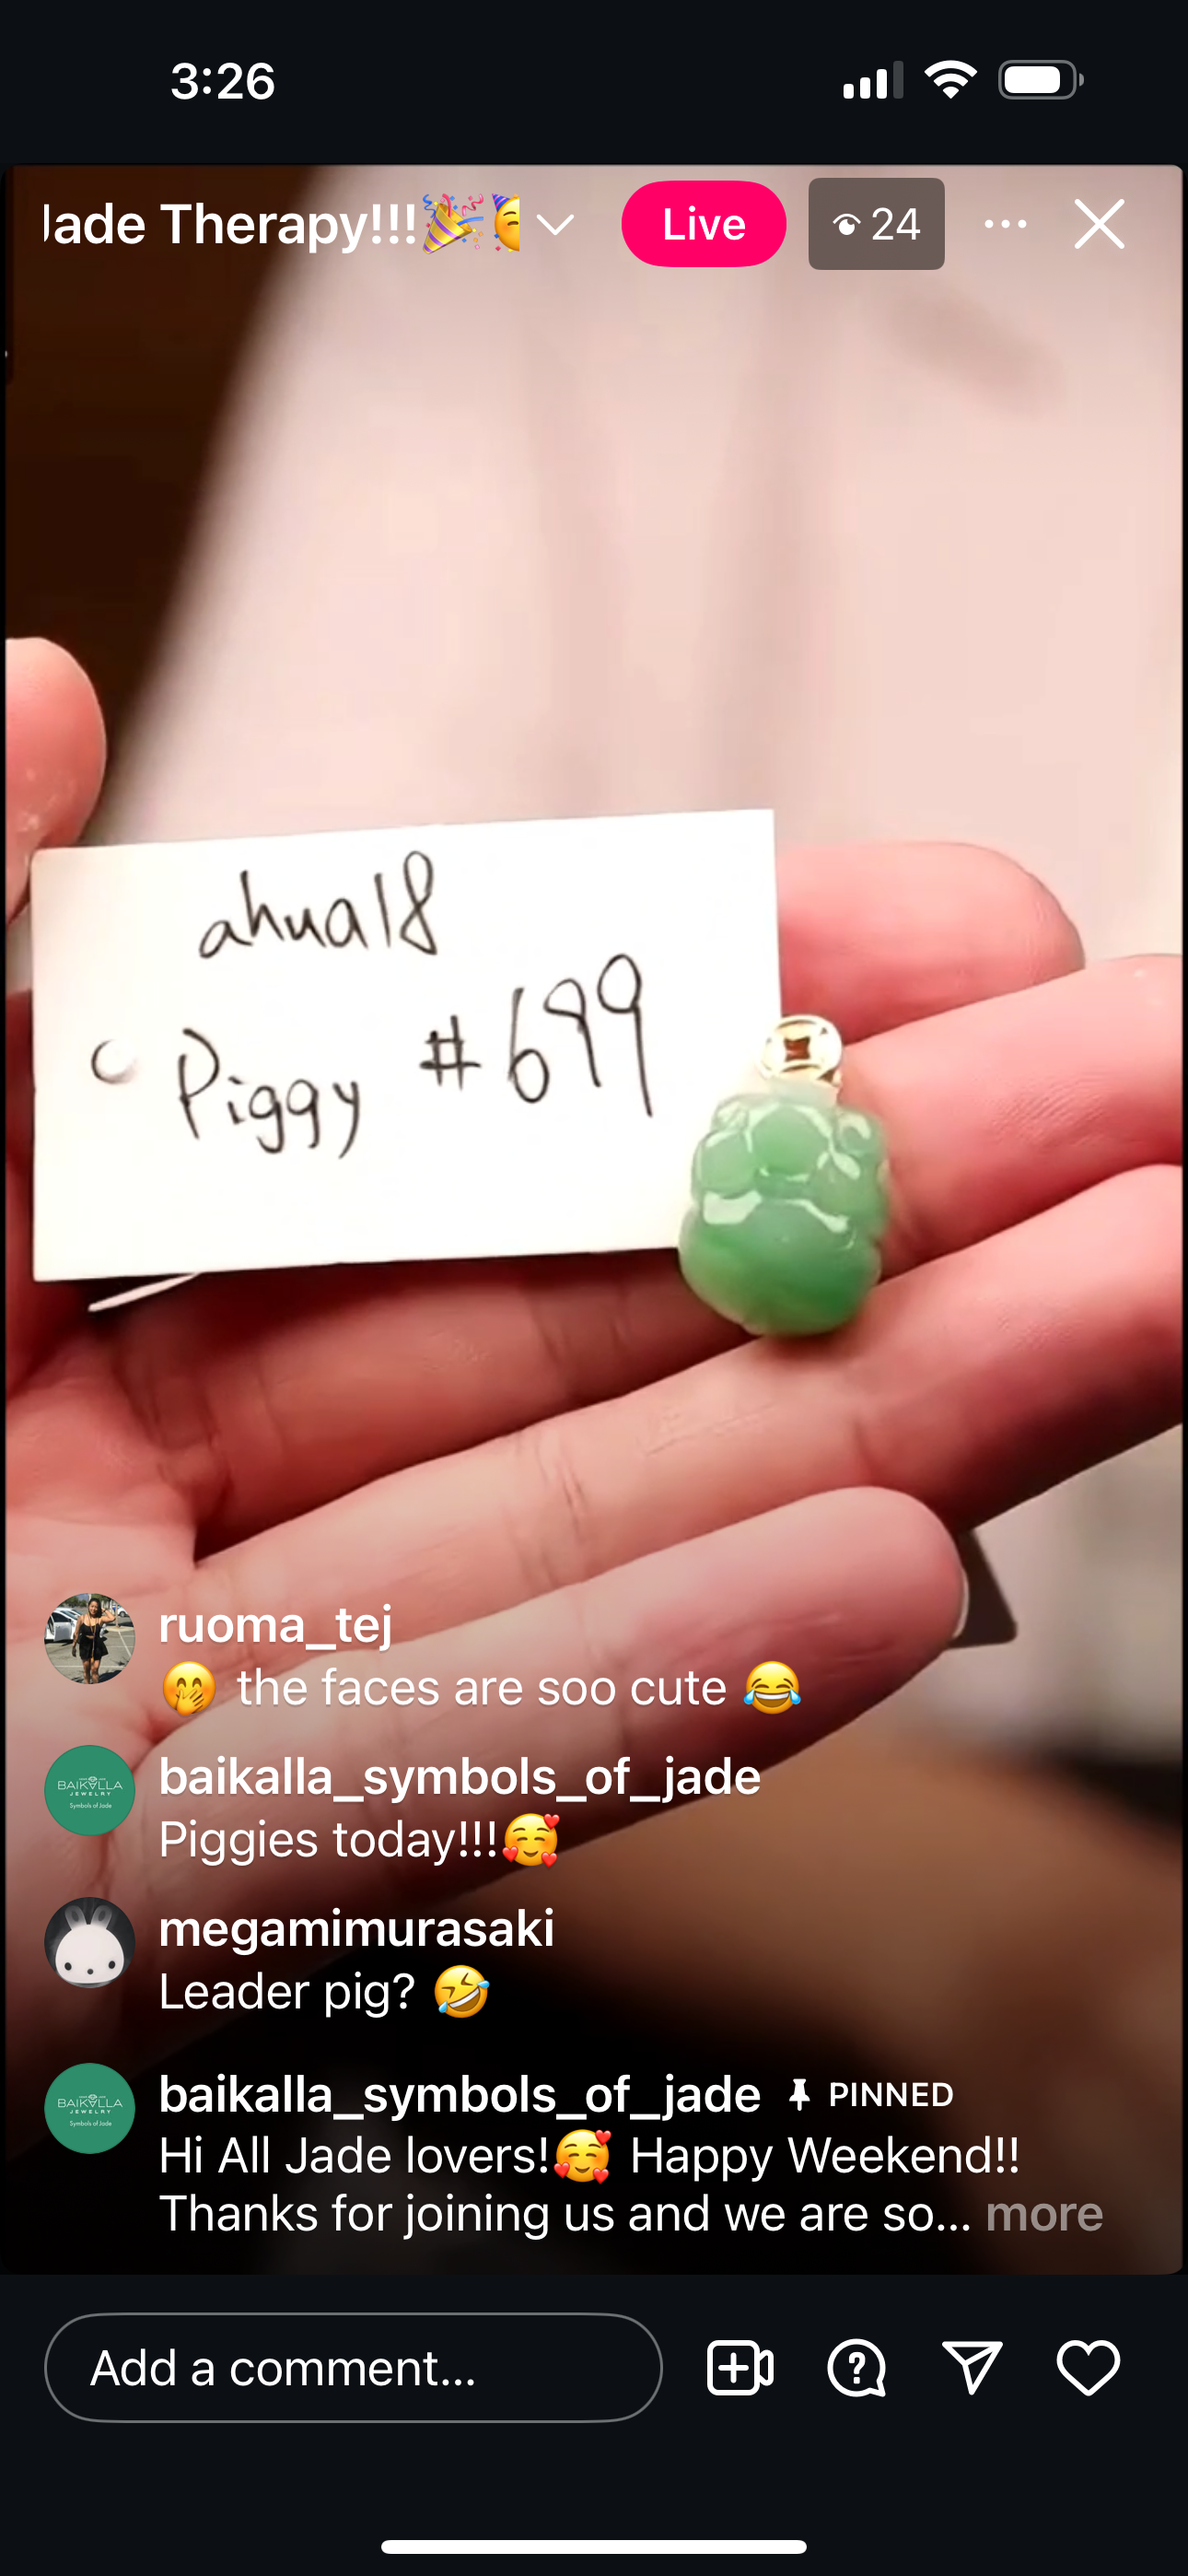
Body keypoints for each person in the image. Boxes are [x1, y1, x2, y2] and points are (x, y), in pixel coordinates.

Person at [71, 1596, 114, 1683]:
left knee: (95, 1670)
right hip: (85, 1645)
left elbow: (112, 1618)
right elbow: (76, 1633)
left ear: (98, 1608)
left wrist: (104, 1610)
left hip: (97, 1644)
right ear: (88, 1606)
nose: (93, 1609)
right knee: (86, 1669)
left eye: (96, 1607)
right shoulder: (82, 1618)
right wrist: (73, 1647)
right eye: (92, 1606)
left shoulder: (100, 1618)